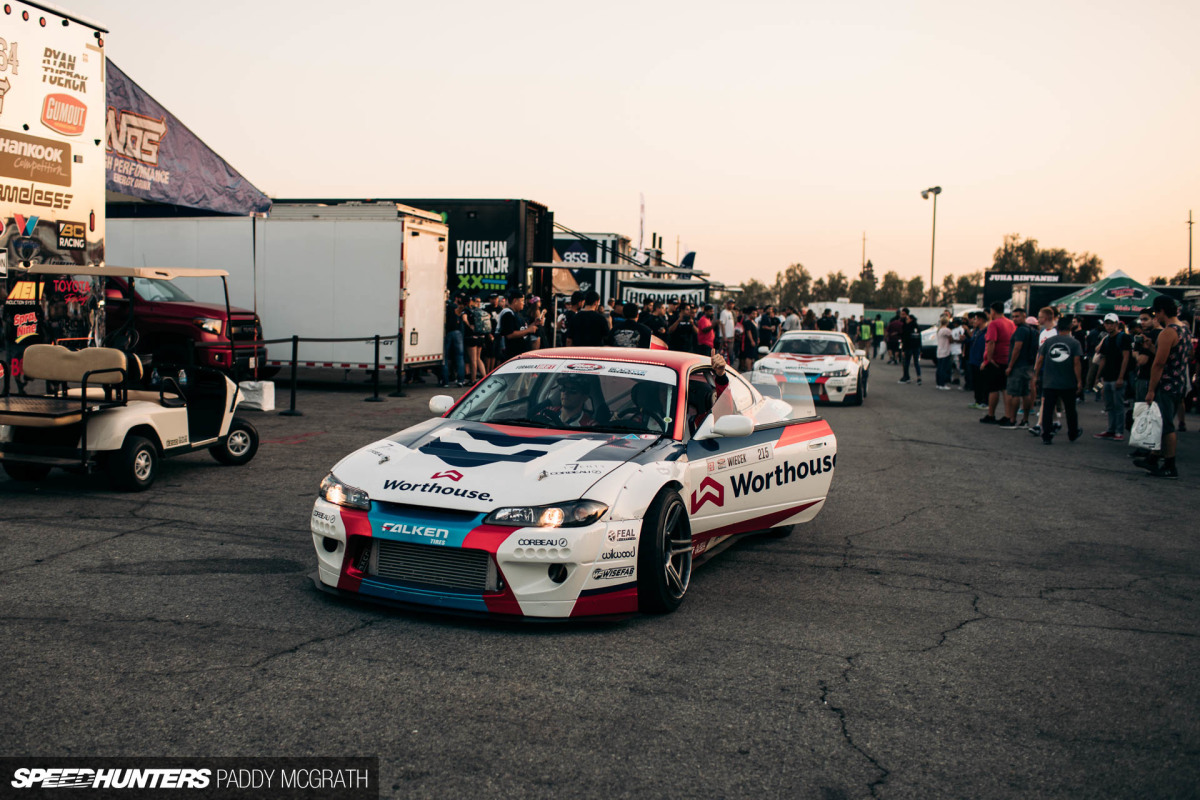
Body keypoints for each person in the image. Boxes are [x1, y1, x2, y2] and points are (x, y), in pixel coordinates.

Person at [1135, 296, 1192, 479]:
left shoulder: (1168, 332)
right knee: (1162, 423)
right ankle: (1153, 458)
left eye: (1156, 313)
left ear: (1161, 311)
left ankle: (1169, 465)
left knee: (1166, 425)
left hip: (1166, 384)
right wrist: (1153, 348)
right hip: (1178, 382)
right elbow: (1176, 356)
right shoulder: (1184, 329)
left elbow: (1159, 363)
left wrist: (1151, 390)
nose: (1155, 317)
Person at [1031, 315, 1083, 445]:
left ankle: (1046, 435)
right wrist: (1079, 380)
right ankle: (1072, 433)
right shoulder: (1074, 343)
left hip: (1050, 381)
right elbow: (1076, 363)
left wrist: (1036, 375)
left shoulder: (1049, 341)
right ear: (1070, 327)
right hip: (1068, 382)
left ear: (1058, 327)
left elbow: (1040, 359)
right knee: (1070, 409)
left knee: (1048, 409)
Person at [1093, 313, 1131, 441]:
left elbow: (1126, 357)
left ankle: (1119, 431)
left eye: (1111, 323)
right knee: (1109, 404)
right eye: (1107, 323)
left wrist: (1121, 377)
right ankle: (1111, 429)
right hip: (1107, 377)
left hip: (1118, 377)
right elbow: (1103, 358)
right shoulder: (1106, 339)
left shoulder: (1123, 337)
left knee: (1118, 405)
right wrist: (1098, 377)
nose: (1109, 326)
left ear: (1116, 324)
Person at [980, 302, 1016, 424]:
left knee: (993, 389)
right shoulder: (1011, 323)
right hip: (1007, 358)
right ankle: (1008, 415)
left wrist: (988, 359)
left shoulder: (994, 324)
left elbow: (991, 342)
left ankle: (991, 414)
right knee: (1005, 388)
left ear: (993, 311)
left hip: (996, 360)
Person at [1000, 308, 1036, 428]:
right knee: (1025, 393)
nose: (1014, 319)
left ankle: (1012, 420)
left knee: (1015, 394)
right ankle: (1025, 420)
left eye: (1017, 316)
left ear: (1024, 316)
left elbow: (1017, 348)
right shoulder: (1031, 330)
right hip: (1028, 365)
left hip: (1018, 366)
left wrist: (1010, 366)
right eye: (1013, 316)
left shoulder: (1020, 331)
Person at [498, 291, 540, 362]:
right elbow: (509, 335)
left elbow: (522, 329)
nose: (523, 303)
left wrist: (534, 324)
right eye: (522, 301)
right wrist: (528, 330)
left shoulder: (518, 314)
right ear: (515, 301)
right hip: (514, 355)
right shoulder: (508, 314)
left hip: (523, 353)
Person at [440, 295, 467, 387]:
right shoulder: (459, 309)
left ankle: (445, 381)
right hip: (458, 333)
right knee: (460, 357)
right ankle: (460, 380)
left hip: (448, 332)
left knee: (445, 357)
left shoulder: (447, 307)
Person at [464, 294, 489, 383]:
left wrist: (469, 326)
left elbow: (464, 319)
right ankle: (485, 377)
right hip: (481, 337)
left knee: (473, 359)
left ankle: (473, 379)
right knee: (478, 358)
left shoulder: (468, 310)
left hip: (472, 337)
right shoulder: (481, 311)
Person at [967, 312, 989, 409]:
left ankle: (984, 402)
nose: (974, 321)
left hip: (981, 360)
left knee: (983, 382)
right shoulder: (977, 331)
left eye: (975, 319)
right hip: (973, 359)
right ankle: (977, 400)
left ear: (981, 320)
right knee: (976, 382)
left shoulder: (987, 331)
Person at [898, 308, 922, 385]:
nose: (906, 320)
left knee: (906, 363)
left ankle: (906, 377)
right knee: (916, 363)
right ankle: (919, 377)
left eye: (907, 319)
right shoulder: (917, 327)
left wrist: (903, 350)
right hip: (916, 347)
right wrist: (920, 348)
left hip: (909, 348)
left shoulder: (907, 327)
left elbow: (905, 339)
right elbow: (919, 338)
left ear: (910, 319)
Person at [934, 318, 953, 390]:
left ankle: (938, 383)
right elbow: (951, 339)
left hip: (939, 350)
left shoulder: (939, 330)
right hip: (945, 350)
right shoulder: (947, 330)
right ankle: (942, 384)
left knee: (939, 368)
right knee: (944, 368)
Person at [739, 306, 759, 371]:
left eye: (755, 314)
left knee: (753, 355)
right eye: (753, 314)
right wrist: (752, 340)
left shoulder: (754, 322)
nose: (755, 315)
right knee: (749, 356)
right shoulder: (748, 322)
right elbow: (748, 332)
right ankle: (748, 369)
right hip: (749, 342)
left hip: (755, 340)